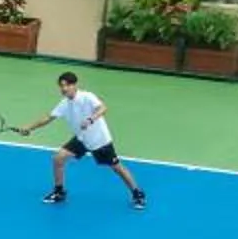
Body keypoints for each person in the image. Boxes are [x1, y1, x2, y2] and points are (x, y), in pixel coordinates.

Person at [17, 72, 145, 208]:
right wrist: (29, 127)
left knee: (117, 168)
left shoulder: (87, 97)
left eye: (67, 85)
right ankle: (59, 192)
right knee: (58, 158)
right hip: (82, 139)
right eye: (61, 86)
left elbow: (103, 108)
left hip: (99, 140)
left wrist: (90, 119)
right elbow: (48, 118)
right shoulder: (64, 103)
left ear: (75, 85)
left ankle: (138, 194)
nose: (64, 89)